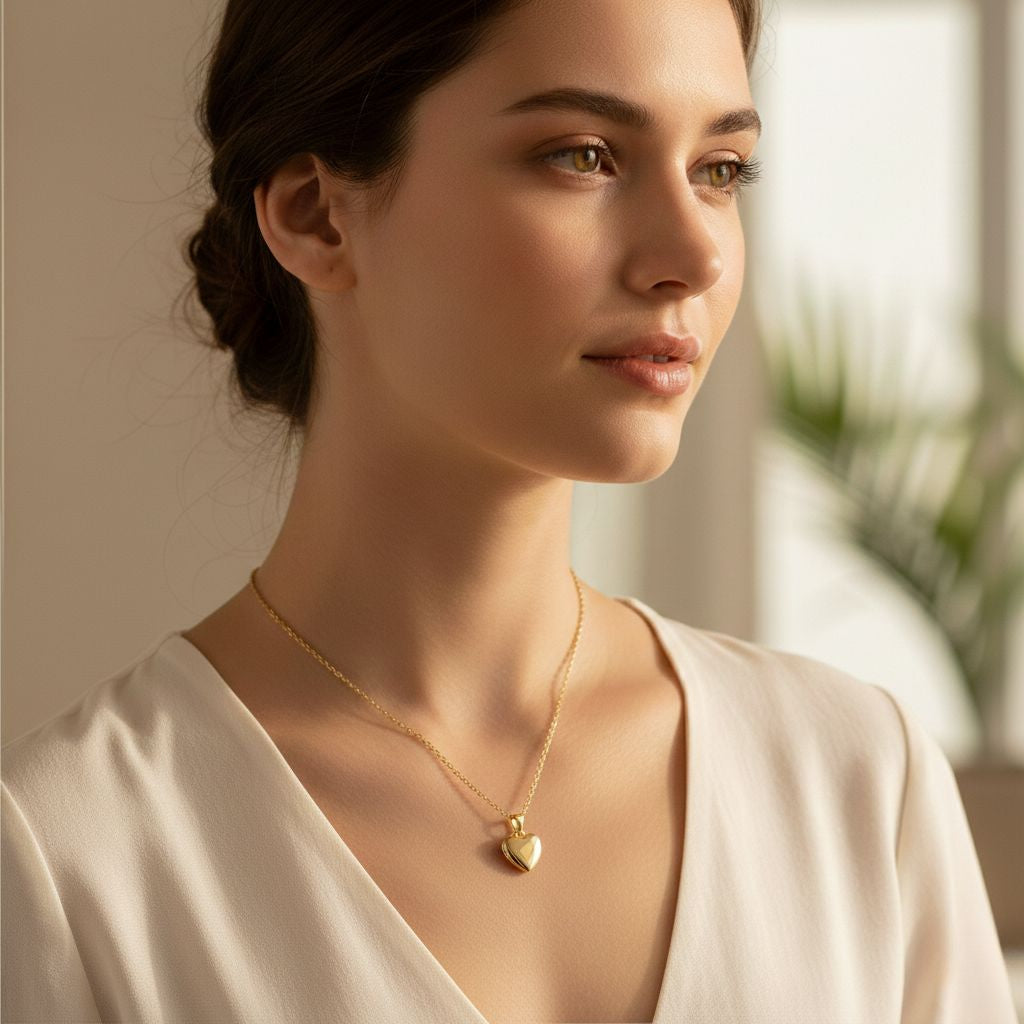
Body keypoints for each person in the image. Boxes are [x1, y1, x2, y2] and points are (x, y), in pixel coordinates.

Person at [2, 0, 1017, 1021]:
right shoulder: (69, 857)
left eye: (719, 170)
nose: (694, 255)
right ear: (315, 213)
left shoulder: (853, 781)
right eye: (582, 155)